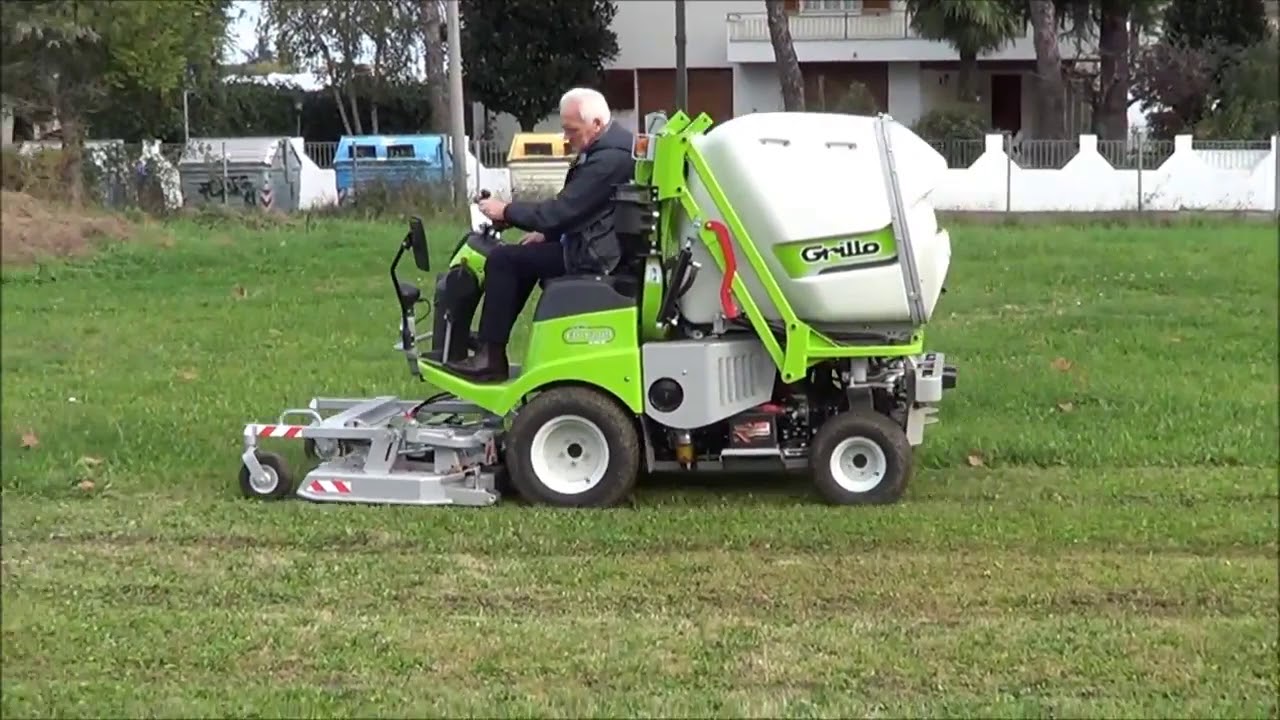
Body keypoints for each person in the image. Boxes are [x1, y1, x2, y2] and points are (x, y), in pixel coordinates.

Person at [447, 87, 637, 382]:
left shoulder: (609, 160)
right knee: (521, 258)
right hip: (597, 246)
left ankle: (490, 355)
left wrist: (506, 211)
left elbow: (560, 211)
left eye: (571, 130)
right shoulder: (611, 149)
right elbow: (585, 210)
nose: (566, 137)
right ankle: (491, 341)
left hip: (596, 256)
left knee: (503, 260)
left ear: (596, 124)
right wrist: (547, 235)